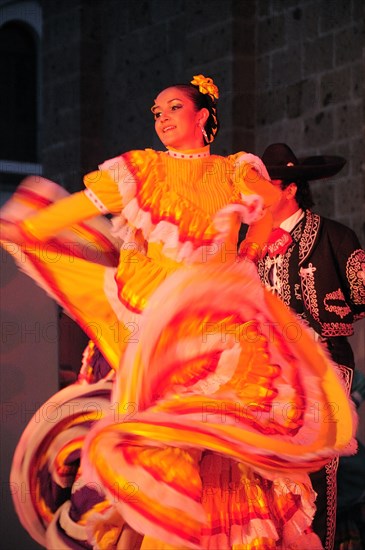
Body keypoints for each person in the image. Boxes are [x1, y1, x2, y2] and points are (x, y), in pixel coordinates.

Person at [0, 80, 356, 550]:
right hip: (163, 325)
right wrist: (26, 226)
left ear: (203, 116)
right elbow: (82, 206)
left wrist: (249, 249)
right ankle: (167, 530)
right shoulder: (141, 169)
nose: (162, 118)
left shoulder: (234, 171)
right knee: (168, 436)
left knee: (226, 446)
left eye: (174, 108)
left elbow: (268, 203)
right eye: (156, 111)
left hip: (222, 325)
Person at [252, 142, 365, 550]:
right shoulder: (249, 245)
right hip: (263, 371)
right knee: (267, 469)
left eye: (267, 184)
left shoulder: (334, 236)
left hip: (322, 367)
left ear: (289, 190)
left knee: (318, 467)